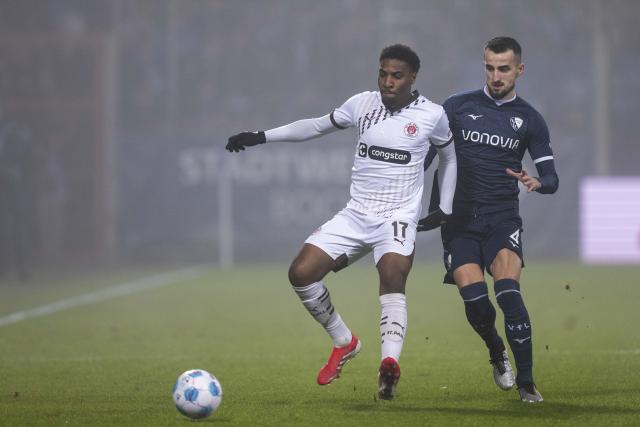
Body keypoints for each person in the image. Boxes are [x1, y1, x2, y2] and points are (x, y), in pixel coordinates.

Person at [226, 44, 457, 400]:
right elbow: (315, 127)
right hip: (355, 215)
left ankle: (389, 365)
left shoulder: (431, 115)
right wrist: (261, 136)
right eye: (382, 73)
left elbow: (449, 156)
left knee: (392, 275)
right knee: (300, 273)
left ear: (413, 77)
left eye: (396, 75)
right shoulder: (361, 104)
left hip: (396, 217)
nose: (387, 81)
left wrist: (444, 206)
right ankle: (343, 340)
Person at [420, 36, 558, 403]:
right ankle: (496, 350)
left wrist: (538, 182)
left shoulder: (529, 119)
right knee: (478, 304)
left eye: (504, 69)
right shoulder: (457, 106)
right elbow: (428, 157)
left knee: (509, 295)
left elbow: (552, 179)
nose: (496, 76)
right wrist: (414, 190)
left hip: (502, 219)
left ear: (519, 70)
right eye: (490, 68)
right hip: (459, 222)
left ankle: (527, 383)